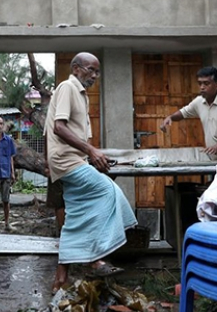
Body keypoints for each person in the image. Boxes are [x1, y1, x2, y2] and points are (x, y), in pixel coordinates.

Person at [45, 52, 137, 293]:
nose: (94, 75)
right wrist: (91, 151)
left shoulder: (82, 94)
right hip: (66, 161)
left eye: (97, 71)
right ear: (76, 69)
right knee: (109, 191)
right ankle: (94, 257)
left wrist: (91, 155)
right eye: (90, 70)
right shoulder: (68, 87)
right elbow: (59, 127)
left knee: (75, 215)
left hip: (74, 159)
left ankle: (60, 278)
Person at [160, 66, 217, 161]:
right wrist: (171, 117)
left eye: (206, 83)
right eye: (200, 83)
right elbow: (183, 113)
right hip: (211, 158)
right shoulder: (199, 102)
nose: (202, 87)